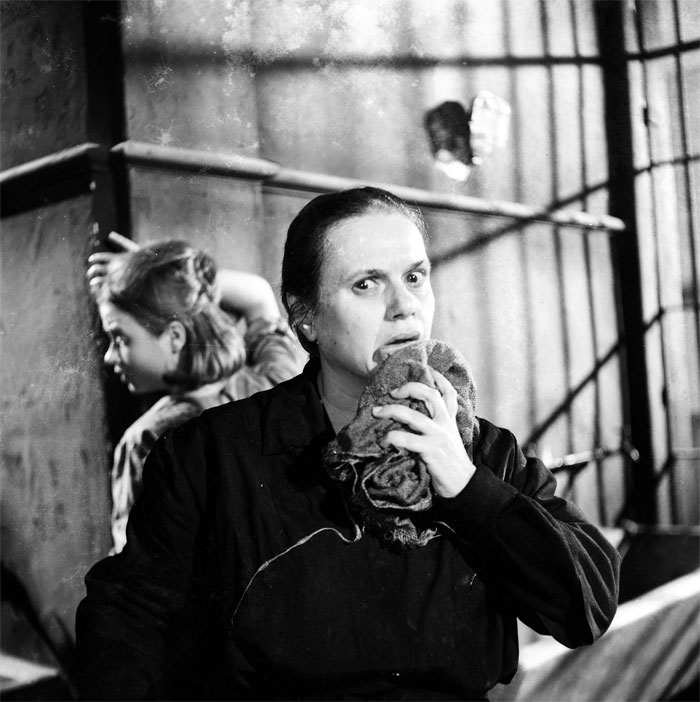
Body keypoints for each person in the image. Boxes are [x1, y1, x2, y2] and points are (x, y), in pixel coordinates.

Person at [76, 188, 620, 701]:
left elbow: (587, 608)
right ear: (305, 316)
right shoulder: (208, 453)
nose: (404, 307)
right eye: (366, 284)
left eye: (415, 277)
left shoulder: (485, 450)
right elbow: (127, 621)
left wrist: (467, 486)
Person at [88, 239, 302, 554]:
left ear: (175, 336)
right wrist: (173, 279)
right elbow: (258, 296)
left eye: (120, 338)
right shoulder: (276, 380)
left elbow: (135, 566)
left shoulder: (147, 440)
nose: (109, 357)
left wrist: (158, 274)